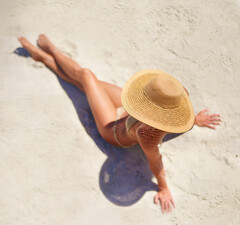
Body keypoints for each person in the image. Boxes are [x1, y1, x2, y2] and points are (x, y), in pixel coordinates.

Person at [17, 35, 221, 214]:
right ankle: (46, 57)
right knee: (83, 82)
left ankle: (48, 54)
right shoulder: (172, 106)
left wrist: (163, 188)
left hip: (111, 129)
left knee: (86, 77)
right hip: (126, 112)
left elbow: (155, 162)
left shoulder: (146, 133)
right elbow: (177, 118)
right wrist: (193, 120)